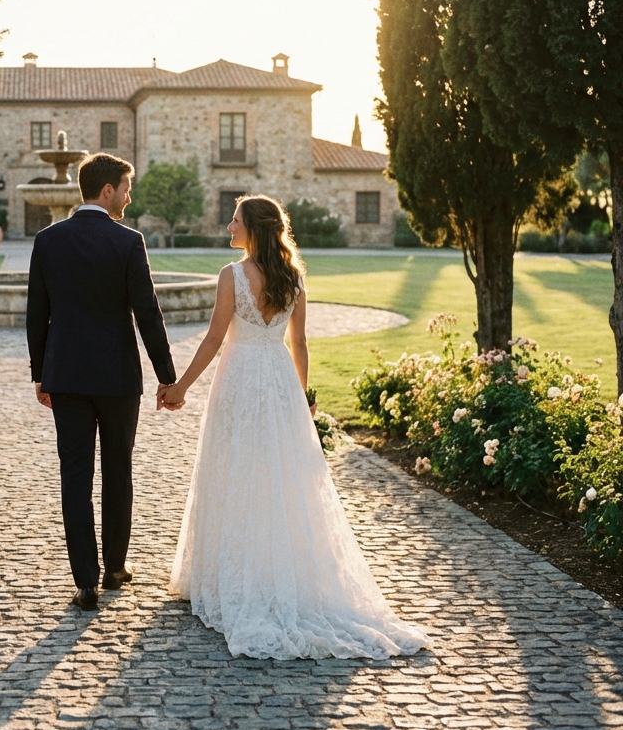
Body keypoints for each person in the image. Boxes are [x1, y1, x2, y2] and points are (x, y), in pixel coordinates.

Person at [161, 194, 429, 659]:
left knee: (234, 471)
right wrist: (299, 398)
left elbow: (213, 338)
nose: (229, 225)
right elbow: (299, 342)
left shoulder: (232, 276)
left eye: (236, 220)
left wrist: (180, 386)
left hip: (241, 378)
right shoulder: (294, 278)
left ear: (255, 229)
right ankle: (274, 572)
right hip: (280, 380)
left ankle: (233, 579)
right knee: (280, 479)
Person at [27, 153, 177, 611]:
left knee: (74, 476)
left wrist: (40, 373)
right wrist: (167, 377)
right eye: (126, 188)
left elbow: (37, 315)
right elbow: (147, 313)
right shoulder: (128, 242)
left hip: (66, 377)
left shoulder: (48, 240)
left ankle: (85, 582)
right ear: (107, 189)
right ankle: (115, 567)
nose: (129, 197)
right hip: (118, 379)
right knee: (118, 470)